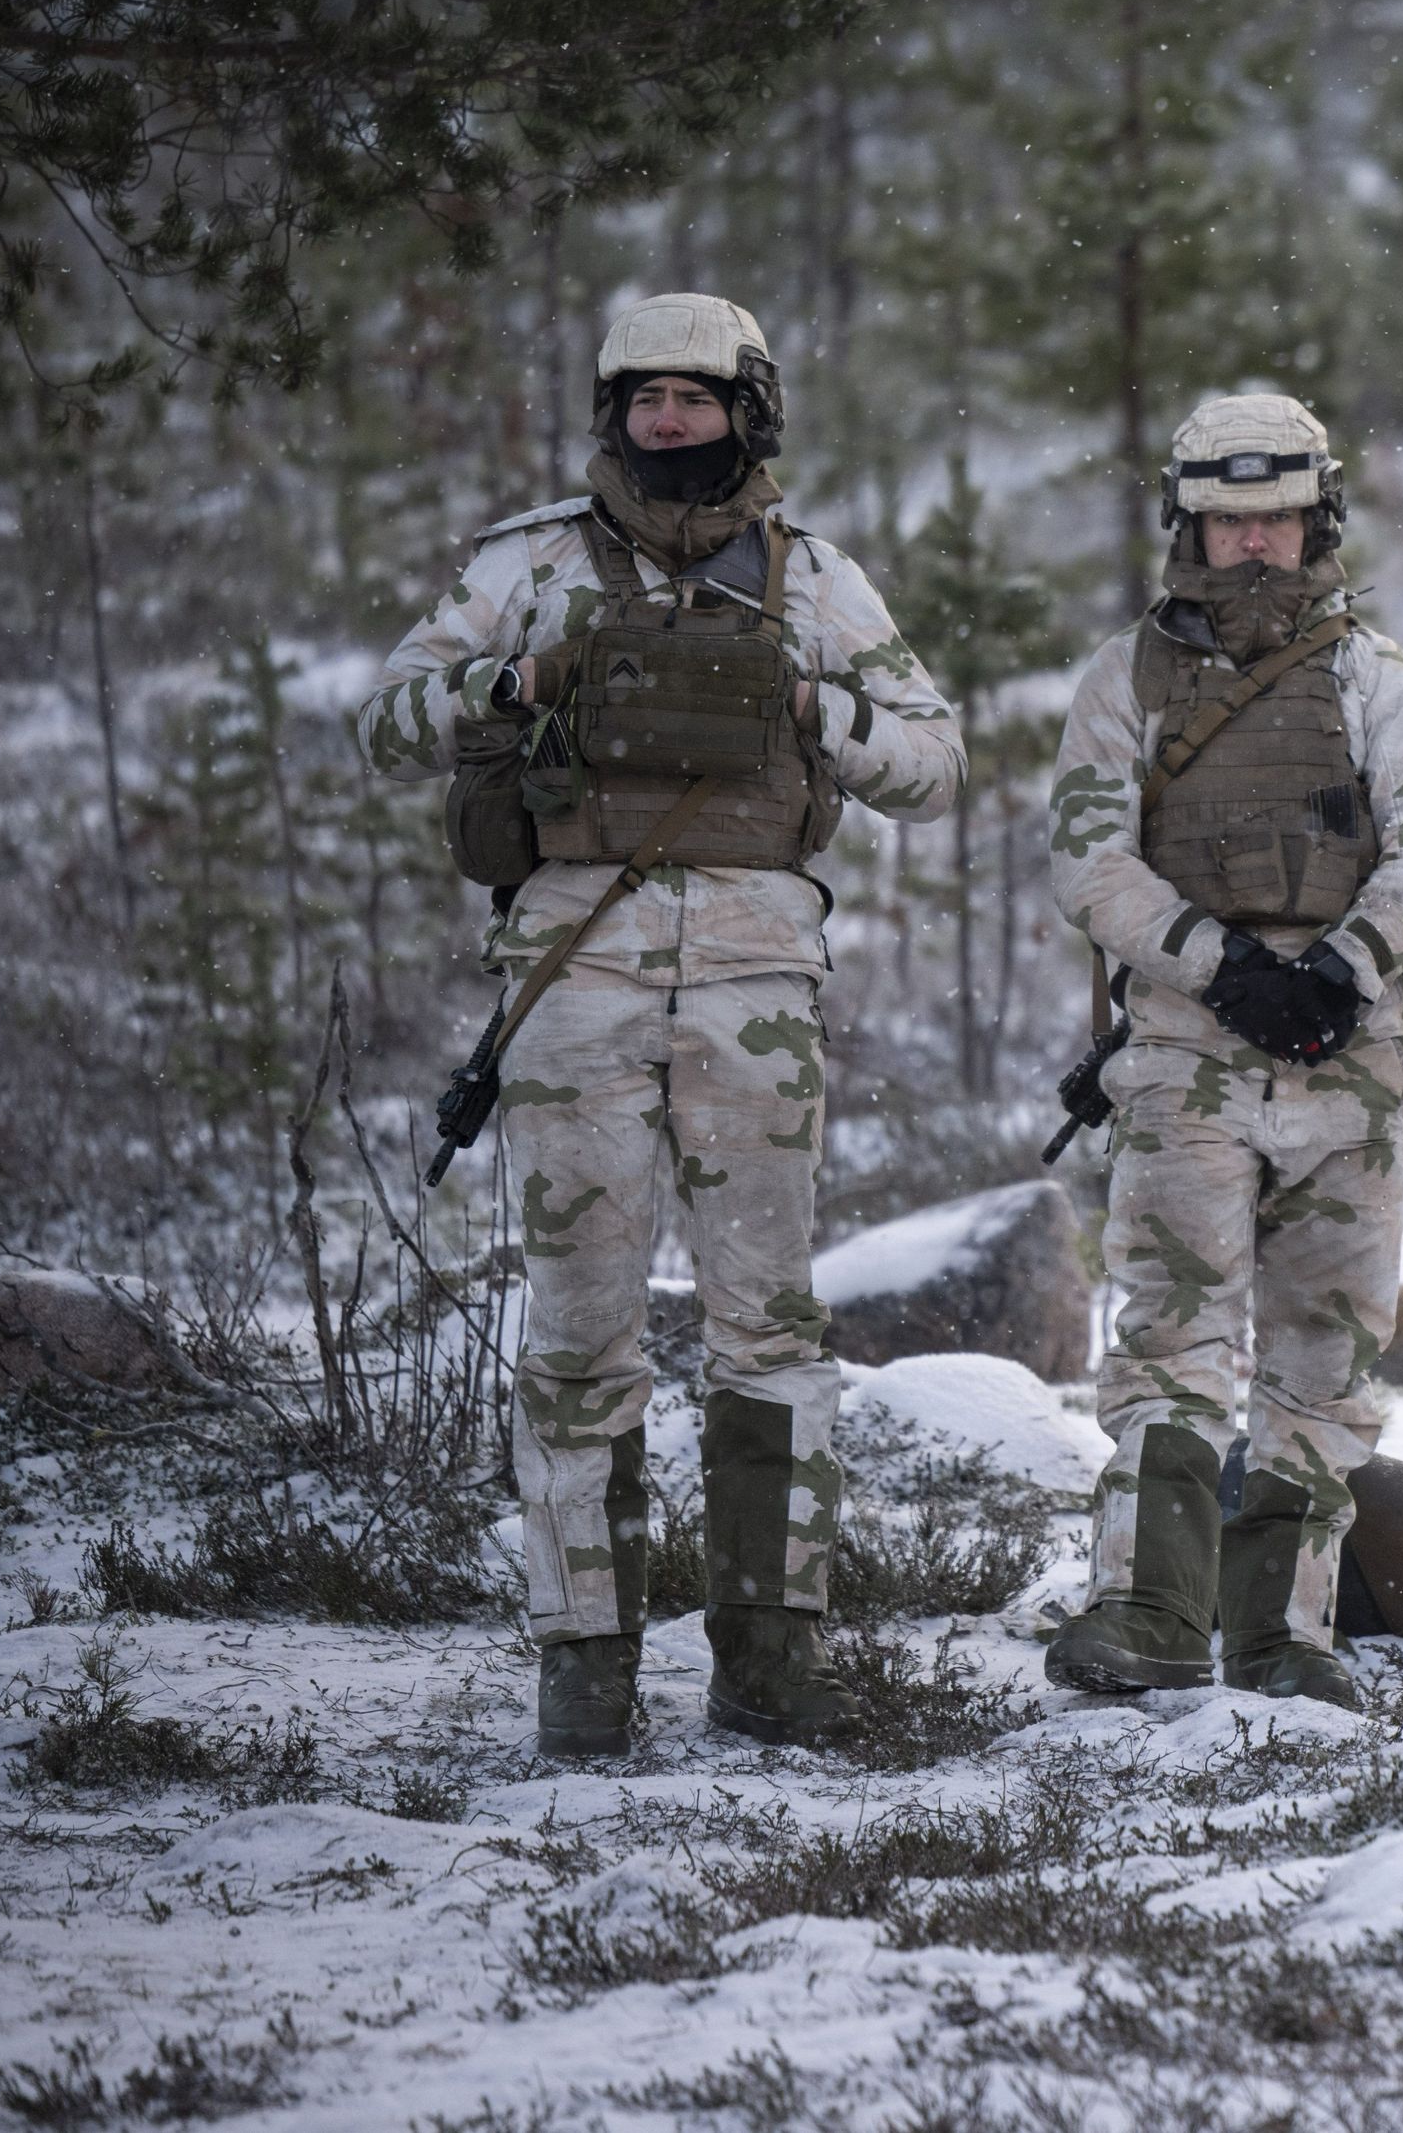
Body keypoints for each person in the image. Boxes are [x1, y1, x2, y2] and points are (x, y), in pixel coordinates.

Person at [358, 292, 966, 1760]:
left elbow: (936, 763)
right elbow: (384, 719)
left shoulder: (814, 577)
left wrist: (824, 712)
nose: (670, 421)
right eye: (646, 398)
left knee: (770, 1326)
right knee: (579, 1330)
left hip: (758, 990)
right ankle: (585, 1661)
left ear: (746, 409)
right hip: (573, 983)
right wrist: (512, 678)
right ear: (613, 413)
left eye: (697, 397)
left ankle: (773, 1655)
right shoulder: (531, 562)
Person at [1039, 392, 1403, 1711]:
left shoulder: (1374, 677)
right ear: (1190, 522)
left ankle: (1288, 1634)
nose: (1252, 545)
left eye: (1275, 516)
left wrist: (1339, 971)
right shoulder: (1124, 680)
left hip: (1351, 1055)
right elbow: (1085, 857)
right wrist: (1222, 965)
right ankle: (1151, 1611)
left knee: (1325, 1356)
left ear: (1315, 517)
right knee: (1171, 1340)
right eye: (1227, 520)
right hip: (1185, 1049)